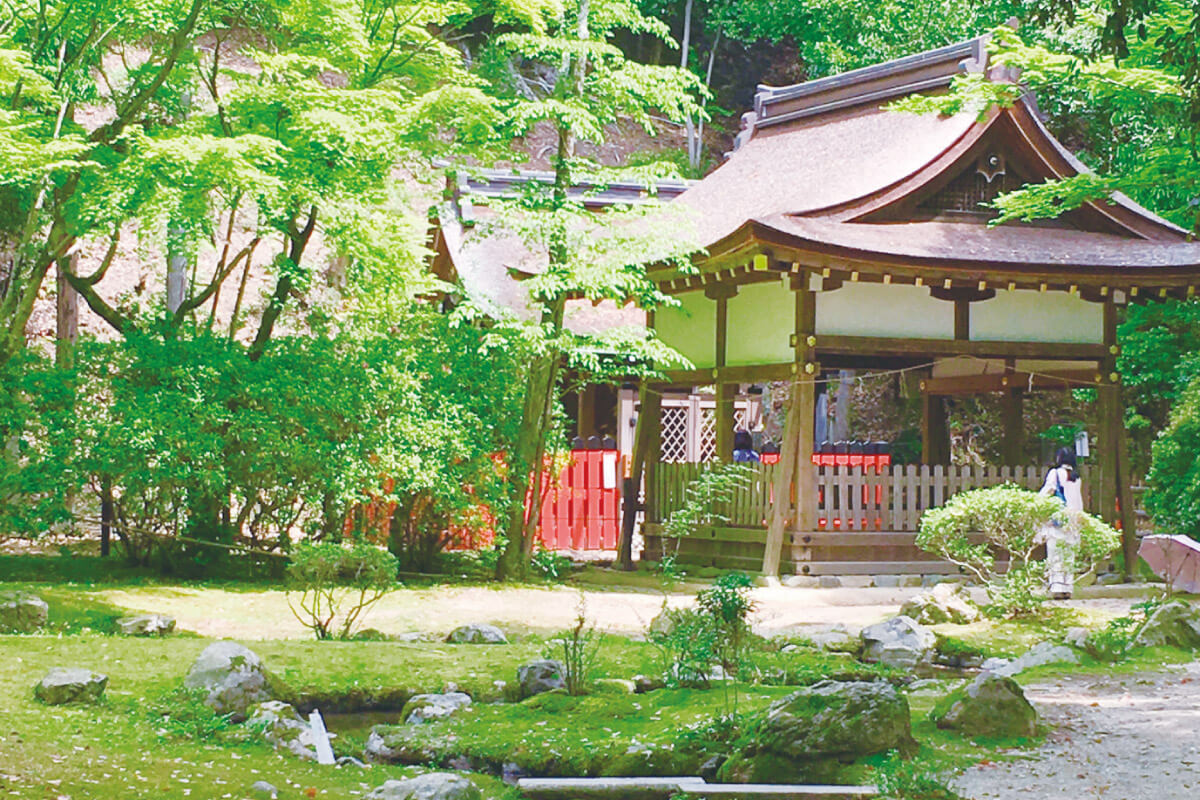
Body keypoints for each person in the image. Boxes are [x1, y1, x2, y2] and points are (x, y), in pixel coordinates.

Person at [1038, 447, 1084, 599]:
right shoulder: (1076, 477)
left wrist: (1036, 502)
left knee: (1055, 553)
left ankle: (1057, 587)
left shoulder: (1055, 473)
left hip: (1058, 519)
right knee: (1069, 555)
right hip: (1073, 520)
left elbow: (1048, 490)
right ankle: (1068, 587)